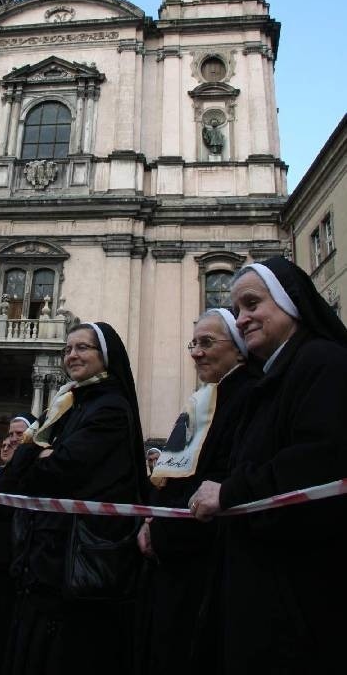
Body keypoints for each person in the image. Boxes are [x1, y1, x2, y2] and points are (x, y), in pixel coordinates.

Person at [189, 257, 347, 674]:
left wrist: (229, 492)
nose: (241, 319)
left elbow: (317, 463)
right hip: (258, 585)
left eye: (252, 304)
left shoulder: (323, 362)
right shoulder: (271, 378)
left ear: (289, 302)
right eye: (237, 309)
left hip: (299, 595)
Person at [4, 322, 149, 675]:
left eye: (83, 348)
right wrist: (38, 456)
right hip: (49, 547)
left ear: (105, 356)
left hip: (76, 551)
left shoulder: (110, 406)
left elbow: (62, 470)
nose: (72, 355)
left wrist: (40, 458)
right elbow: (24, 468)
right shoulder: (68, 402)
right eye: (68, 349)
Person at [138, 308, 258, 675]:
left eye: (207, 343)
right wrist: (150, 520)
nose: (195, 352)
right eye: (194, 343)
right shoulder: (205, 399)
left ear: (238, 349)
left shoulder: (248, 395)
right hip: (174, 552)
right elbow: (172, 474)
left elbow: (219, 477)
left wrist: (163, 531)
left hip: (205, 559)